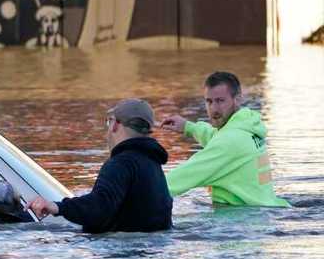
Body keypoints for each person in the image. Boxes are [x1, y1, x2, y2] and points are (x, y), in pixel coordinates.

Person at [29, 99, 173, 233]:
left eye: (108, 122)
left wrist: (58, 207)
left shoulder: (120, 164)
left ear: (115, 124)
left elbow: (99, 207)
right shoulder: (153, 165)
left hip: (123, 255)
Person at [161, 71, 289, 207]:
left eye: (220, 101)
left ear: (237, 99)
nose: (214, 109)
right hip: (264, 213)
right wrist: (189, 127)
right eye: (209, 101)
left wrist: (141, 190)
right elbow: (218, 138)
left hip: (241, 220)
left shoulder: (230, 141)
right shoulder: (248, 126)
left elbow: (181, 178)